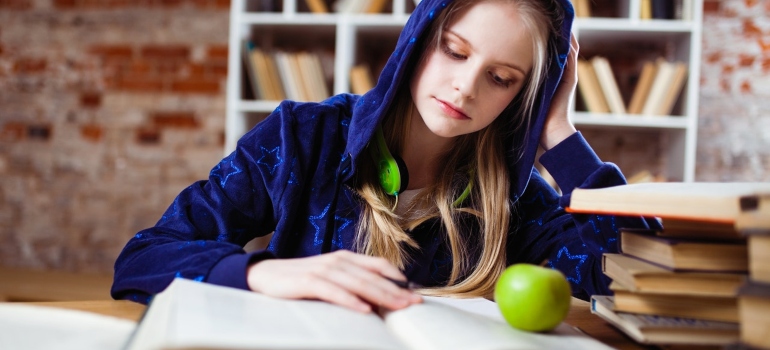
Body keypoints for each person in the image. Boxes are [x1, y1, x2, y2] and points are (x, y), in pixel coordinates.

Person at [111, 0, 657, 313]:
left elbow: (648, 278)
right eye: (454, 51)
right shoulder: (303, 138)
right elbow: (144, 258)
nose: (465, 88)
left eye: (501, 78)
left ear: (525, 97)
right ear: (419, 39)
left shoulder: (513, 197)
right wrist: (260, 275)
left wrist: (559, 133)